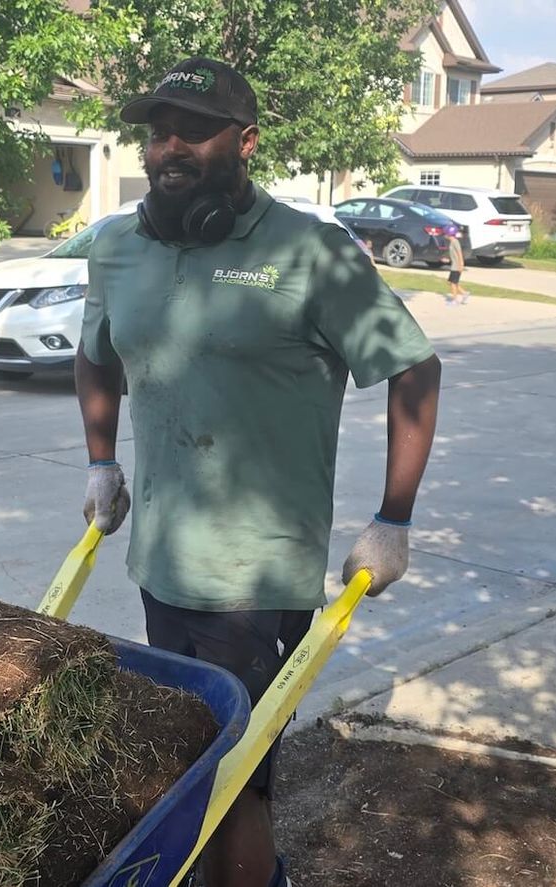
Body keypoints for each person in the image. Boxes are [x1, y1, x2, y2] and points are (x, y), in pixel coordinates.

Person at [74, 58, 442, 887]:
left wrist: (394, 519)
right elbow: (96, 357)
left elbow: (414, 369)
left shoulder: (311, 253)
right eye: (157, 130)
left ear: (245, 142)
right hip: (158, 564)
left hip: (255, 572)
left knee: (235, 780)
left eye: (193, 129)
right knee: (183, 760)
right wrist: (101, 462)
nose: (169, 146)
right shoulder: (117, 248)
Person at [444, 233, 469, 305]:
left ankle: (455, 300)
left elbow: (459, 253)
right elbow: (454, 254)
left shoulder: (455, 242)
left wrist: (461, 264)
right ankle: (464, 293)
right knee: (452, 282)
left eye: (445, 233)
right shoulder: (452, 242)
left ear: (449, 234)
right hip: (454, 265)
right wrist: (448, 259)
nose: (444, 235)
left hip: (456, 266)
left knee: (453, 283)